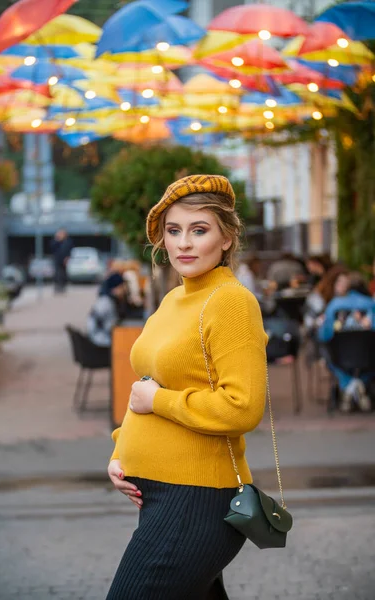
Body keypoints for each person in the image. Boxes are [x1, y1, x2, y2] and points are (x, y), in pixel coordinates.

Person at [106, 174, 268, 600]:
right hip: (162, 496)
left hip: (195, 501)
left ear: (227, 238)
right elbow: (146, 384)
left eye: (199, 231)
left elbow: (243, 406)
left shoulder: (231, 301)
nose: (184, 244)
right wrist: (121, 451)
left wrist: (159, 401)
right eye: (174, 231)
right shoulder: (174, 300)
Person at [318, 272, 375, 412]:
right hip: (369, 357)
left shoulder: (335, 305)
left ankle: (349, 387)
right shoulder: (370, 305)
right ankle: (359, 384)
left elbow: (324, 335)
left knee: (325, 352)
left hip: (340, 357)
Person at [50, 229, 73, 293]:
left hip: (64, 259)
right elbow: (52, 247)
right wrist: (57, 239)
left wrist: (67, 257)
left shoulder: (68, 241)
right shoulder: (56, 241)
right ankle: (57, 287)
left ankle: (63, 287)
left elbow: (69, 250)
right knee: (57, 274)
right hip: (57, 259)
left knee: (63, 274)